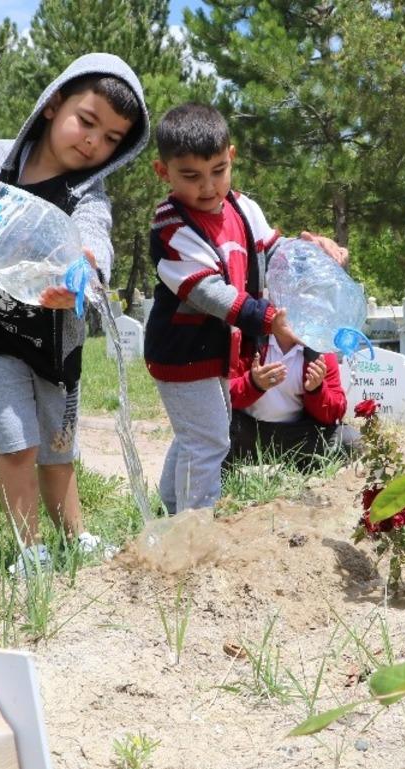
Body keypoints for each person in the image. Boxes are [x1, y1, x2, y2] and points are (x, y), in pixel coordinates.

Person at [0, 54, 150, 574]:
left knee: (58, 447)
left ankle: (73, 535)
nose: (93, 142)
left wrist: (88, 268)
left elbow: (95, 236)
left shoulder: (86, 194)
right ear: (53, 106)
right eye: (87, 120)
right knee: (17, 444)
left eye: (112, 138)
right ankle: (29, 549)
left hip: (56, 344)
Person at [143, 102, 346, 515]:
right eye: (191, 176)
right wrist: (272, 321)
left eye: (218, 170)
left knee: (193, 435)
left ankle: (168, 513)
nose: (208, 187)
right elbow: (208, 293)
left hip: (219, 352)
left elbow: (275, 254)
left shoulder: (242, 208)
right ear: (163, 172)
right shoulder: (171, 226)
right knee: (209, 440)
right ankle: (194, 526)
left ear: (231, 157)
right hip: (182, 353)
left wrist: (312, 251)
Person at [227, 334, 359, 467]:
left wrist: (316, 390)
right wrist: (253, 384)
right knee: (216, 431)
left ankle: (295, 463)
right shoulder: (248, 340)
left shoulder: (320, 351)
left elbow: (335, 412)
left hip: (298, 433)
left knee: (351, 441)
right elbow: (223, 394)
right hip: (247, 431)